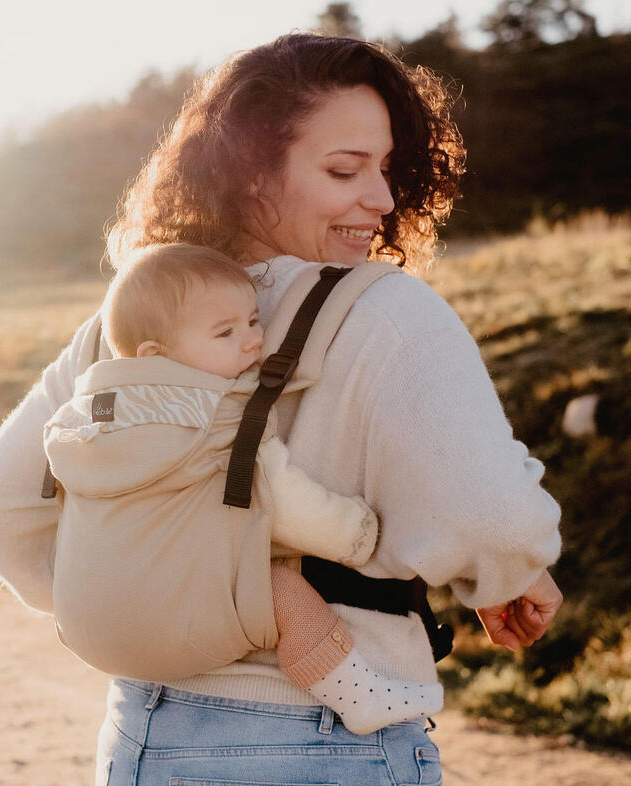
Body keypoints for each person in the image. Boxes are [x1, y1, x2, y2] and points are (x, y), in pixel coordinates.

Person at [0, 33, 564, 786]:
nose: (382, 199)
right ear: (248, 175)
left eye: (386, 167)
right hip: (322, 747)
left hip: (145, 740)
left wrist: (166, 593)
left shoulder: (132, 328)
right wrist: (513, 571)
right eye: (345, 170)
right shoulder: (386, 312)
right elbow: (491, 520)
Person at [44, 242, 442, 734]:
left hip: (89, 629)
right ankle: (358, 693)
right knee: (283, 589)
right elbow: (289, 507)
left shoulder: (85, 419)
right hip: (188, 617)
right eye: (226, 332)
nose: (254, 340)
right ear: (156, 355)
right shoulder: (225, 415)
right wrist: (360, 532)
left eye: (253, 321)